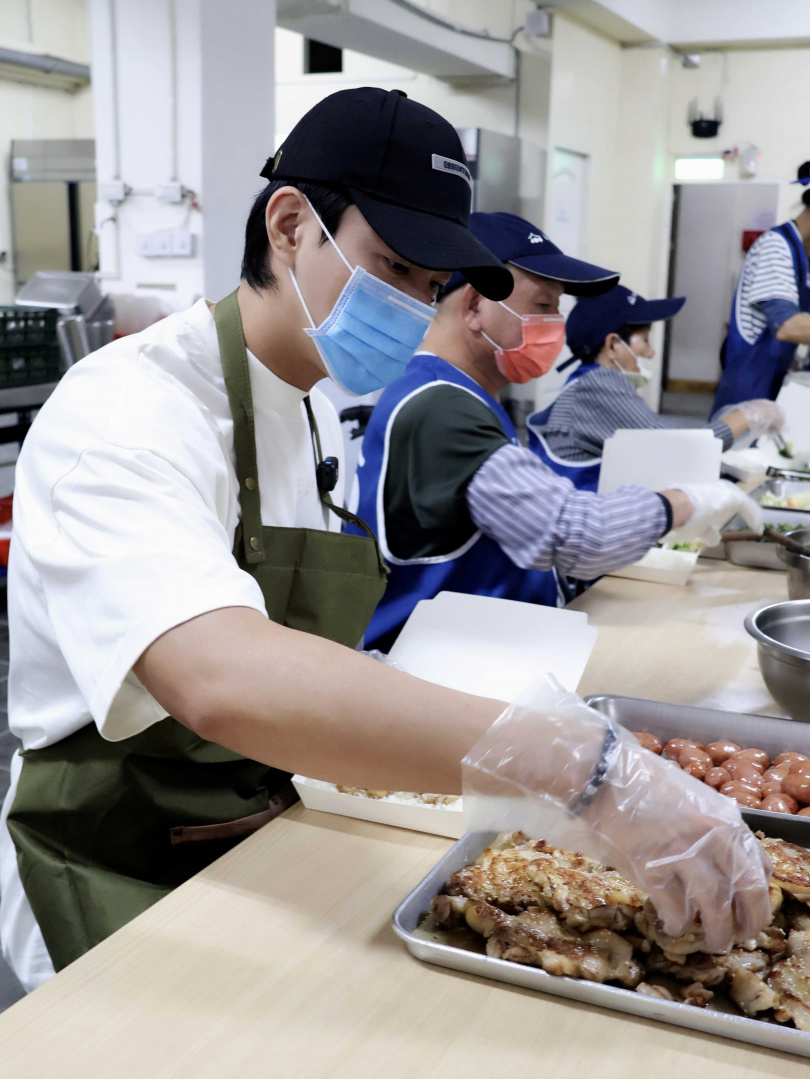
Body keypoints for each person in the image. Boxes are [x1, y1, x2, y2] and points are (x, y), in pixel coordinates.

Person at [0, 91, 770, 992]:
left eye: (428, 284)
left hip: (263, 822)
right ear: (289, 225)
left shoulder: (317, 408)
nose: (412, 306)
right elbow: (221, 675)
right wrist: (582, 766)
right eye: (391, 267)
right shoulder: (129, 410)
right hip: (114, 863)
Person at [351, 212, 763, 652]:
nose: (554, 327)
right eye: (542, 306)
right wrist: (686, 501)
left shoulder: (448, 392)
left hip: (479, 648)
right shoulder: (442, 408)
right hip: (441, 669)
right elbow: (574, 534)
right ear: (474, 306)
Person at [529, 285, 786, 491]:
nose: (650, 353)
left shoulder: (585, 382)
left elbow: (658, 437)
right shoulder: (598, 384)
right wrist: (750, 416)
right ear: (612, 345)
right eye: (645, 341)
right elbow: (679, 450)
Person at [712, 160, 810, 414]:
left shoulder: (803, 256)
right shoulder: (775, 247)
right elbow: (789, 326)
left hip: (772, 387)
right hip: (748, 390)